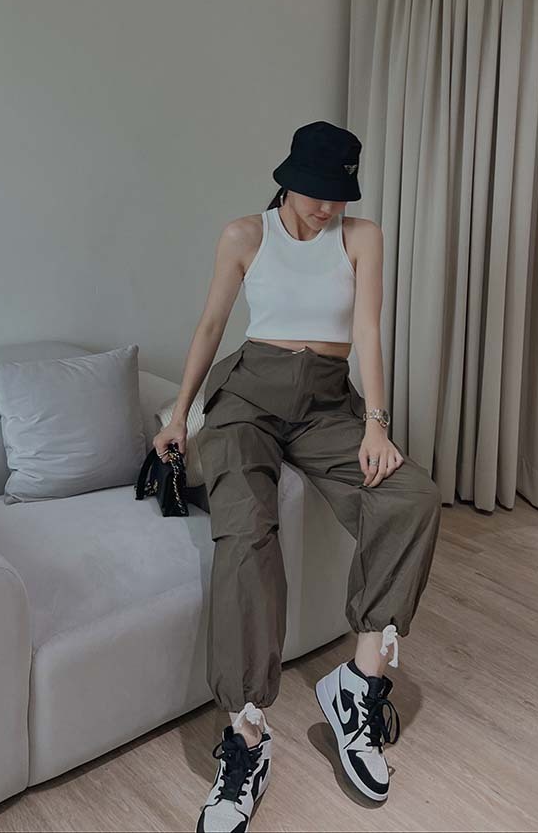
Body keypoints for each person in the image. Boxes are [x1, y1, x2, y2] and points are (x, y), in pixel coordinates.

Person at [154, 120, 442, 832]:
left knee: (411, 495)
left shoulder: (362, 237)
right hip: (247, 397)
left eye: (340, 195)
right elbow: (211, 326)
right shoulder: (244, 235)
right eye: (317, 193)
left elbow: (367, 331)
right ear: (287, 180)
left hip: (326, 403)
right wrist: (179, 415)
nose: (328, 207)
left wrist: (377, 423)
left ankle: (358, 686)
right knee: (246, 530)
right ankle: (247, 736)